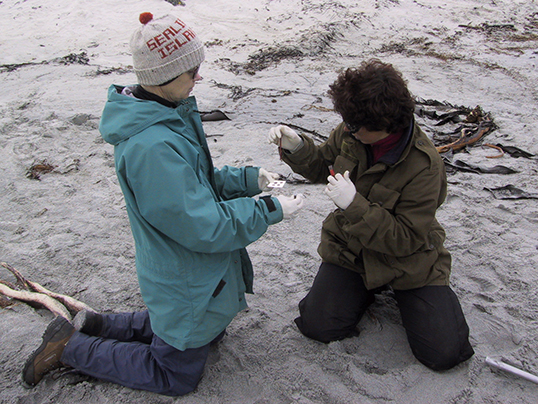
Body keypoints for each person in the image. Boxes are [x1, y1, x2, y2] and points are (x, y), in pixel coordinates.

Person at [22, 12, 304, 396]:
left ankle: (100, 325)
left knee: (201, 329)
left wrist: (249, 179)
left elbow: (196, 181)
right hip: (183, 273)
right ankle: (70, 347)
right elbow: (203, 224)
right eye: (191, 72)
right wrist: (269, 210)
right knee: (175, 374)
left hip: (194, 272)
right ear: (163, 75)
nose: (198, 78)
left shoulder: (168, 112)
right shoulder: (152, 146)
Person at [268, 59, 474, 371]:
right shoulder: (353, 131)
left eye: (354, 126)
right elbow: (322, 166)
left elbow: (406, 239)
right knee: (318, 326)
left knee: (444, 354)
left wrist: (354, 205)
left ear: (382, 127)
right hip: (353, 251)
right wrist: (298, 147)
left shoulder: (425, 166)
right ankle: (364, 292)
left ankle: (414, 298)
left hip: (408, 263)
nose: (347, 129)